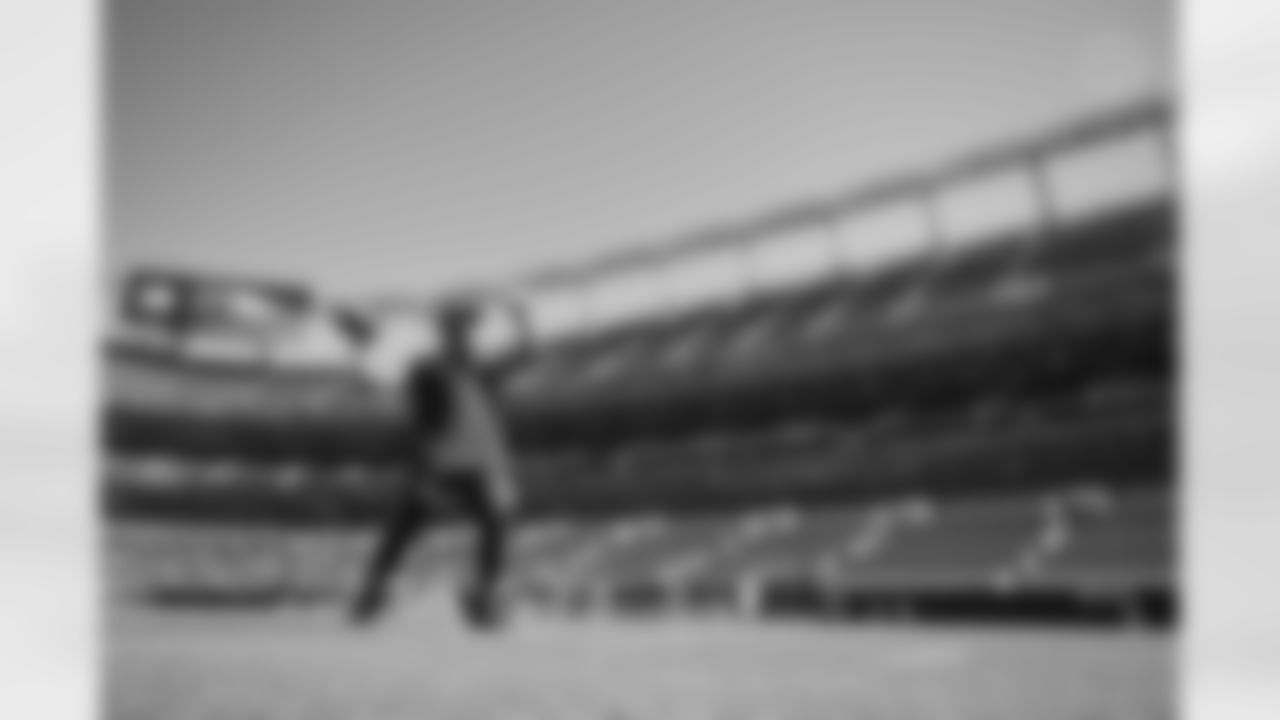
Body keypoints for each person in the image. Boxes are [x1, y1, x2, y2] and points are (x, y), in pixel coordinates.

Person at [349, 295, 535, 631]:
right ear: (444, 333)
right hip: (442, 464)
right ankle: (374, 589)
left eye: (467, 330)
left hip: (481, 465)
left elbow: (524, 356)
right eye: (457, 329)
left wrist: (522, 322)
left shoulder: (480, 371)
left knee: (495, 522)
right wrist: (423, 470)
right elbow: (418, 421)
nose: (464, 337)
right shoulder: (428, 370)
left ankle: (484, 593)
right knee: (405, 525)